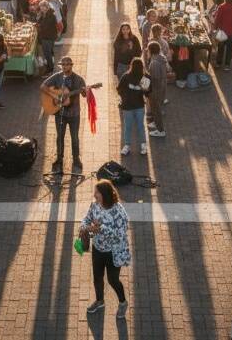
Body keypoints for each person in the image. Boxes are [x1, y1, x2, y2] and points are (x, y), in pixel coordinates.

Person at [81, 180, 131, 319]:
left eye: (97, 192)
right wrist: (84, 226)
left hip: (113, 252)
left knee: (113, 280)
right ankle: (99, 301)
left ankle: (122, 302)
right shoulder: (95, 205)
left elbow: (120, 234)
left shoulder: (118, 211)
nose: (94, 194)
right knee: (97, 278)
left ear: (105, 194)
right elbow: (86, 218)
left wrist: (100, 228)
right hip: (98, 249)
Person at [41, 56, 88, 170]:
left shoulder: (79, 79)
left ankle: (76, 159)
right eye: (63, 64)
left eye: (67, 64)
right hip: (60, 113)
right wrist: (55, 96)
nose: (65, 66)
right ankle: (59, 159)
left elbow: (85, 95)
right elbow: (43, 86)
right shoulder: (57, 77)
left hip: (74, 114)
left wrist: (84, 91)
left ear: (72, 65)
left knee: (75, 138)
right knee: (59, 137)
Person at [117, 57, 150, 156]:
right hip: (139, 105)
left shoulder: (126, 76)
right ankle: (143, 145)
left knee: (128, 126)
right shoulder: (145, 77)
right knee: (140, 126)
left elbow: (119, 89)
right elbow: (147, 93)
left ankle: (127, 146)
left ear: (131, 65)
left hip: (127, 106)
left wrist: (124, 96)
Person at [37, 0, 58, 77]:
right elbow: (39, 21)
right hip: (45, 36)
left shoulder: (51, 16)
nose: (41, 9)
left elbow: (45, 26)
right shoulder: (44, 14)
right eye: (40, 8)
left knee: (47, 53)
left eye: (42, 7)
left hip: (48, 37)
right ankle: (49, 67)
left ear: (46, 7)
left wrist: (39, 27)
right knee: (47, 53)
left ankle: (50, 69)